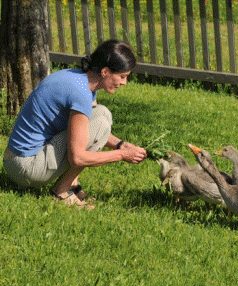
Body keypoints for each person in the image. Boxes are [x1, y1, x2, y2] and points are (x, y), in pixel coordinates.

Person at [2, 39, 147, 210]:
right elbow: (77, 158)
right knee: (100, 122)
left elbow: (89, 127)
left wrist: (120, 145)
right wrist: (122, 155)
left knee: (102, 114)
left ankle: (71, 184)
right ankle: (62, 192)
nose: (124, 83)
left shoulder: (79, 78)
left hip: (14, 160)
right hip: (26, 167)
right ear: (105, 72)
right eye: (122, 76)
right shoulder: (81, 94)